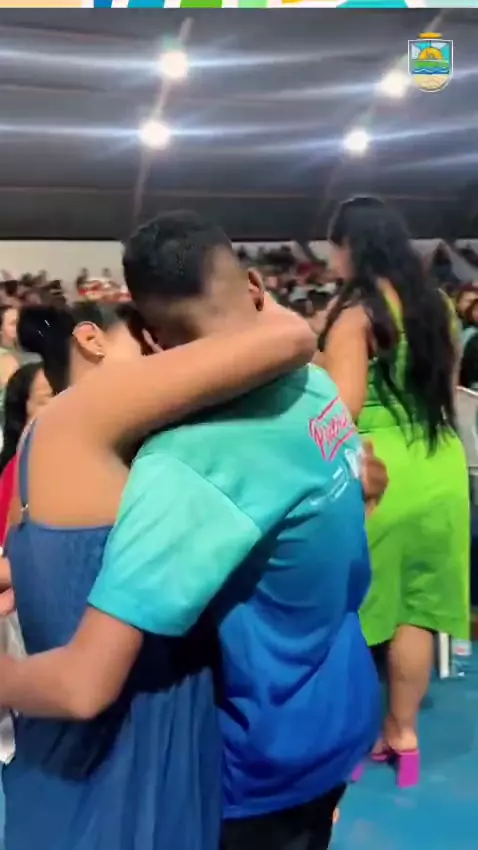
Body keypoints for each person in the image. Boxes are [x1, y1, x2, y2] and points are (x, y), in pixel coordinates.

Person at [0, 212, 383, 850]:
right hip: (339, 708)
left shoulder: (186, 465)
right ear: (255, 288)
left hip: (261, 756)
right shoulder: (316, 389)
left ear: (152, 339)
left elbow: (83, 686)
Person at [318, 196, 469, 787]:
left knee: (358, 612)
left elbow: (343, 410)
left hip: (379, 470)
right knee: (417, 609)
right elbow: (446, 392)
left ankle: (349, 740)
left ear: (350, 247)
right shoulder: (439, 307)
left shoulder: (357, 314)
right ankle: (402, 734)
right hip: (440, 463)